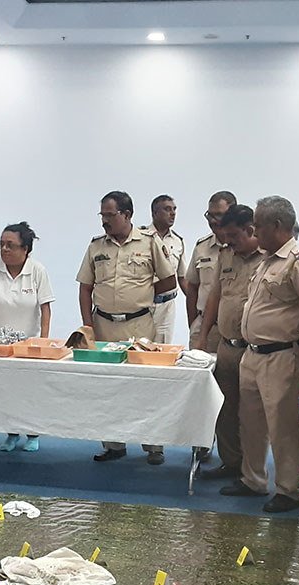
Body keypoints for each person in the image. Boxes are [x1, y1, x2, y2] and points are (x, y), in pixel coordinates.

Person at [219, 196, 299, 512]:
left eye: (258, 225)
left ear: (277, 225)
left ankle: (288, 489)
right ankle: (253, 479)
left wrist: (287, 324)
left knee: (282, 425)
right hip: (252, 354)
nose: (254, 231)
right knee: (250, 421)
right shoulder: (267, 261)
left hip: (281, 354)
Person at [77, 190, 178, 464]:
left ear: (127, 214)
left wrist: (141, 294)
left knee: (146, 388)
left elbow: (169, 281)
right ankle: (114, 445)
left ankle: (154, 447)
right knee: (107, 390)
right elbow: (85, 288)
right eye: (102, 215)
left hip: (139, 327)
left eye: (110, 215)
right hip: (104, 326)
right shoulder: (96, 246)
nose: (104, 221)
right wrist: (88, 326)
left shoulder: (149, 242)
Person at [195, 204, 266, 481]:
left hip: (254, 350)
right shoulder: (226, 254)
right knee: (224, 409)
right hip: (226, 346)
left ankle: (252, 470)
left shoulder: (268, 257)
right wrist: (203, 336)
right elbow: (215, 297)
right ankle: (231, 462)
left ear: (250, 230)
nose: (229, 242)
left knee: (251, 414)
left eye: (234, 236)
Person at [0, 221, 55, 452]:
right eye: (2, 244)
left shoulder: (37, 270)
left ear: (25, 249)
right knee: (6, 391)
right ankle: (11, 434)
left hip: (30, 344)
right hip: (1, 345)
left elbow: (46, 309)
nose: (4, 249)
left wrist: (43, 342)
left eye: (10, 245)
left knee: (30, 392)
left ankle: (33, 434)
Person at [185, 191, 236, 353]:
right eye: (210, 215)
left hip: (234, 330)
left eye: (218, 215)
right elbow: (192, 287)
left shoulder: (245, 247)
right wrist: (194, 324)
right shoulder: (202, 247)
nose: (213, 221)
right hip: (205, 327)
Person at [144, 194, 188, 343]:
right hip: (143, 304)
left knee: (162, 349)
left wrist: (196, 304)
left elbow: (182, 277)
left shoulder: (178, 241)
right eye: (167, 209)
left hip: (166, 306)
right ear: (155, 213)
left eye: (174, 209)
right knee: (139, 347)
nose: (173, 213)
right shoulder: (141, 237)